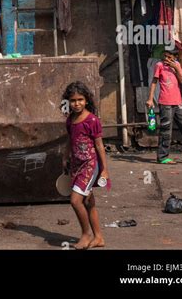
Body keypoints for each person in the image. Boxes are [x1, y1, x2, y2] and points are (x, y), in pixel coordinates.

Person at [61, 81, 109, 250]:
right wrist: (65, 157)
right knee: (89, 202)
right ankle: (99, 237)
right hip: (76, 165)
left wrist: (104, 170)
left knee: (75, 201)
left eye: (80, 99)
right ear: (68, 101)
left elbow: (99, 146)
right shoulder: (70, 120)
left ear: (86, 100)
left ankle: (85, 235)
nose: (77, 103)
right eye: (73, 100)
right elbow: (70, 140)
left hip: (90, 166)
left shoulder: (92, 120)